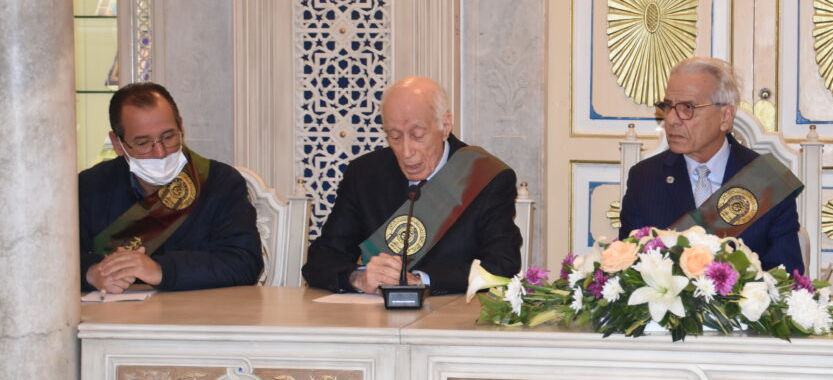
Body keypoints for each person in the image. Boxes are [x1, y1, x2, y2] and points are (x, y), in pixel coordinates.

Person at [302, 76, 522, 295]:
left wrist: (420, 281)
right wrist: (359, 278)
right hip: (377, 314)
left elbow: (502, 265)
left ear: (445, 125)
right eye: (395, 137)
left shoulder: (484, 176)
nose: (406, 152)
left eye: (418, 135)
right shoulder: (364, 174)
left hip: (451, 312)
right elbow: (321, 260)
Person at [620, 57, 806, 273]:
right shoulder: (645, 179)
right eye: (667, 106)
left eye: (687, 107)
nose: (671, 120)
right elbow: (628, 273)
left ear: (725, 116)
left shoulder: (766, 181)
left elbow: (785, 278)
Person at [79, 83, 263, 292]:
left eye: (168, 137)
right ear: (117, 144)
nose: (160, 152)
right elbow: (56, 259)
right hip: (116, 311)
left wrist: (161, 270)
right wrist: (90, 273)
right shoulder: (89, 187)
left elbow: (244, 263)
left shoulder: (220, 182)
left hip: (200, 310)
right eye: (143, 143)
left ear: (181, 127)